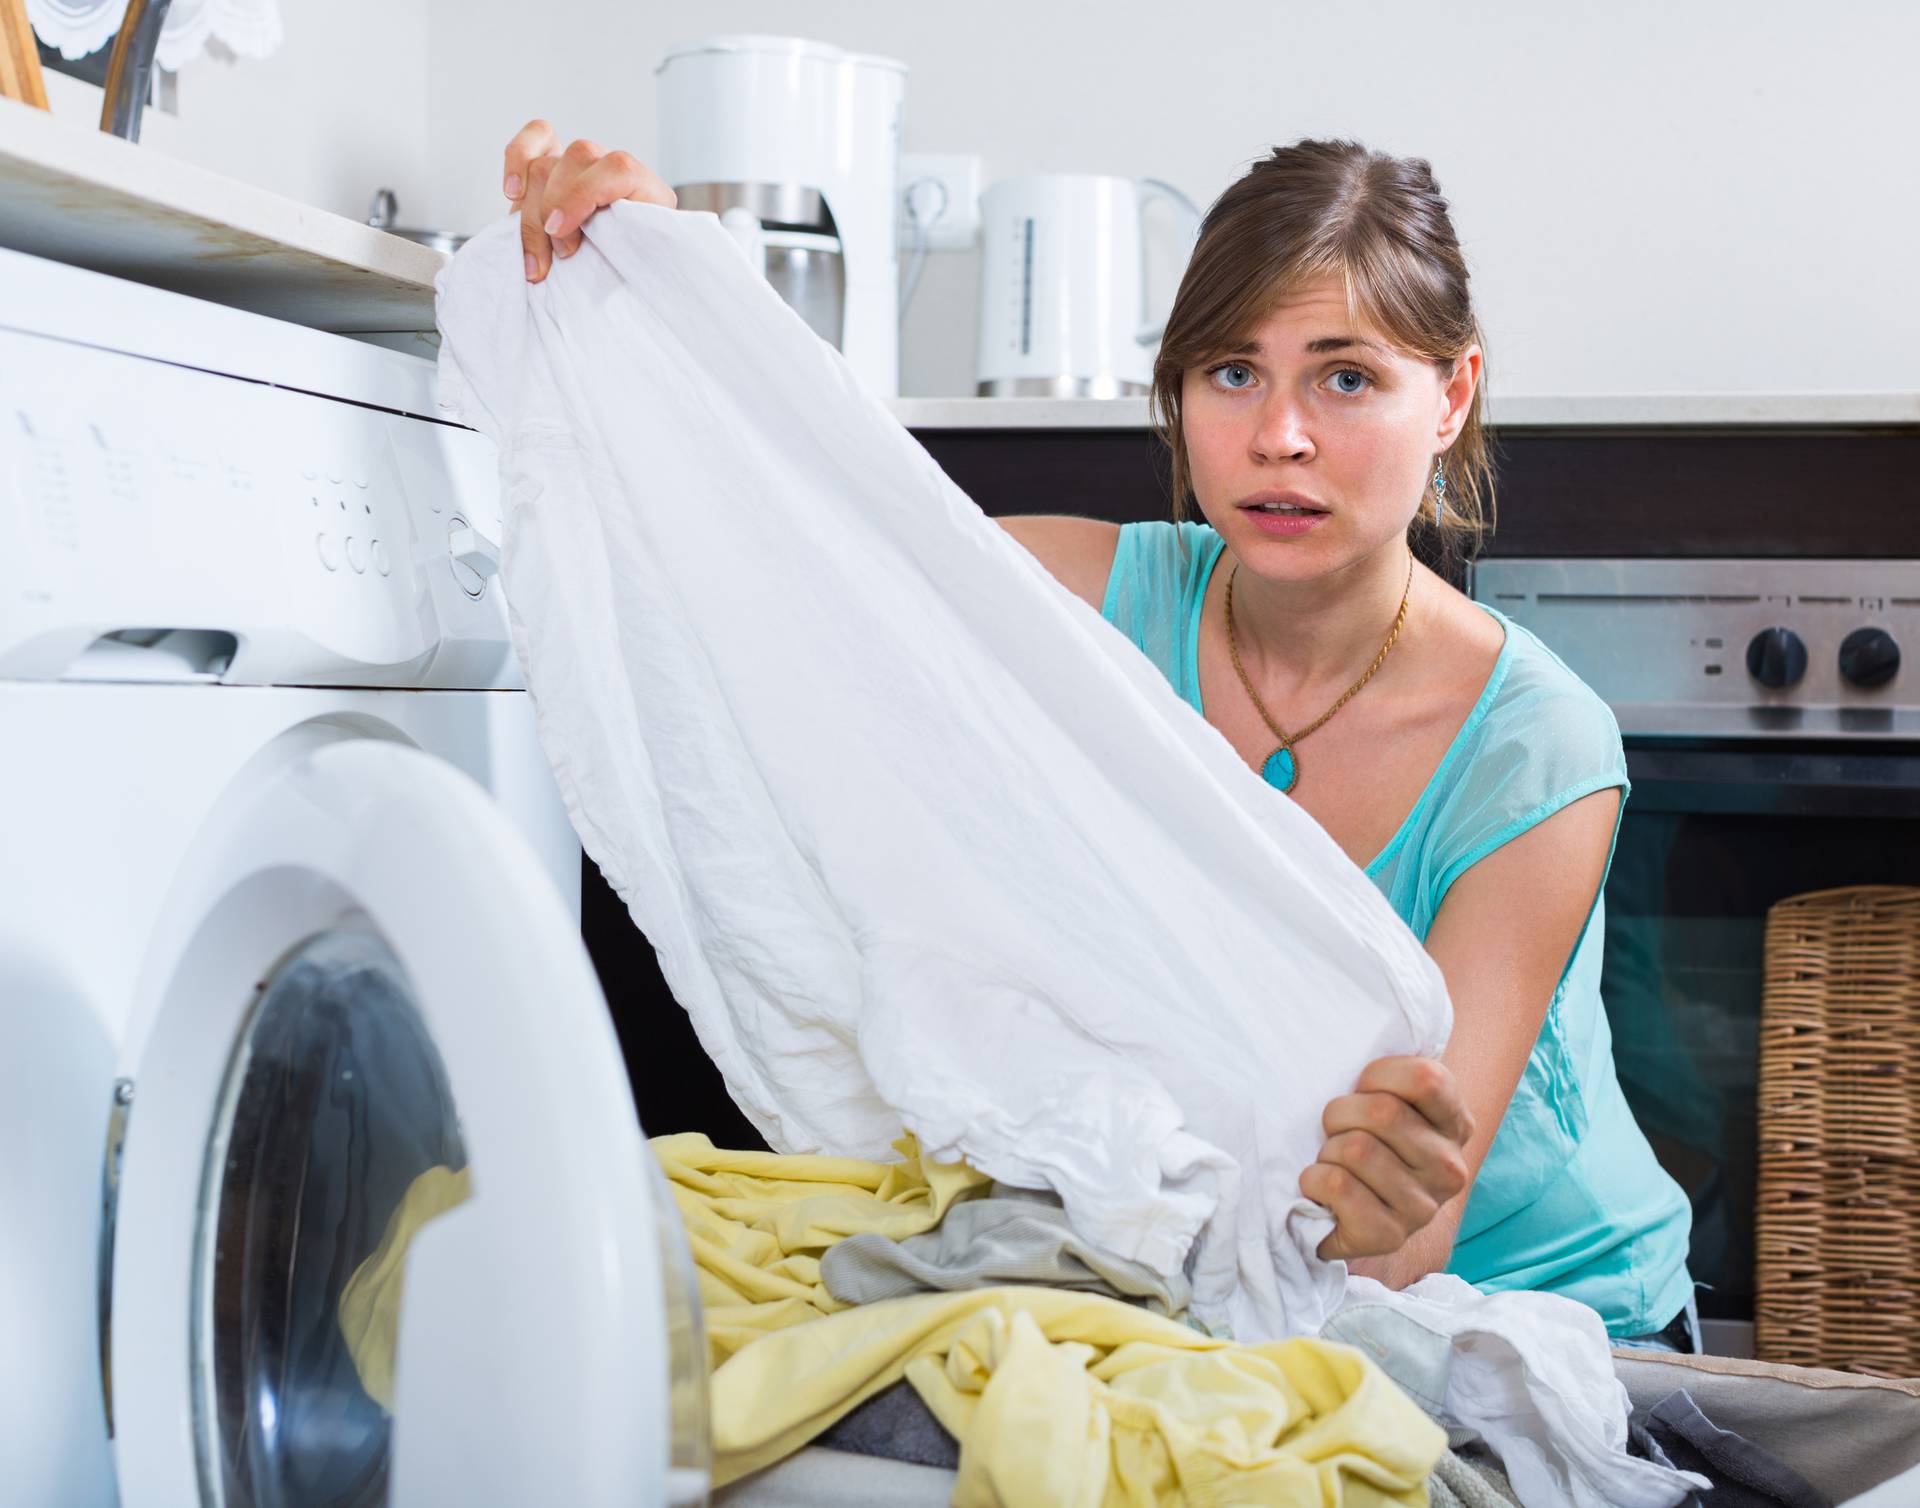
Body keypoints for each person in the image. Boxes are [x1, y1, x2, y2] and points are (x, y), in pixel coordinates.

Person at [496, 123, 1697, 1349]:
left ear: (1449, 396)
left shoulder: (1537, 748)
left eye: (1344, 377)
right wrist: (656, 272)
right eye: (1232, 372)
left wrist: (1380, 1184)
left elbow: (1403, 1244)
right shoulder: (1086, 602)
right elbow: (797, 530)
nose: (1278, 434)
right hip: (1197, 1289)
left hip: (1553, 1319)